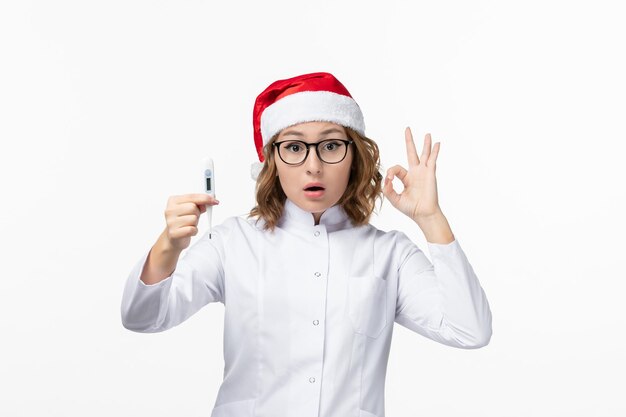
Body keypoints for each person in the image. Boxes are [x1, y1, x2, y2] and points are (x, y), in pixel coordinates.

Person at [121, 72, 492, 417]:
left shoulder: (389, 254)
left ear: (354, 157)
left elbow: (469, 330)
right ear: (271, 162)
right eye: (295, 148)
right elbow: (143, 317)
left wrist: (431, 218)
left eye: (330, 146)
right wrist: (169, 245)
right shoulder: (233, 243)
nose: (313, 165)